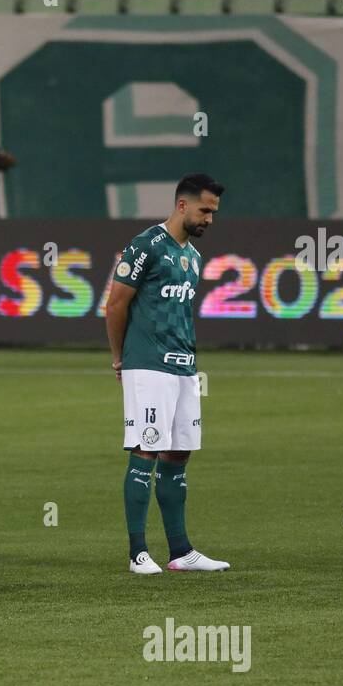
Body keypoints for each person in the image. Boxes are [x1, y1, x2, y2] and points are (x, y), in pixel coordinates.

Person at [105, 173, 230, 576]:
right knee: (146, 450)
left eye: (213, 212)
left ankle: (181, 551)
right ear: (182, 205)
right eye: (205, 210)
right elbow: (116, 304)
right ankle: (138, 552)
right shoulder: (146, 246)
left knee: (178, 454)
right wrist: (120, 358)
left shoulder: (192, 257)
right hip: (148, 364)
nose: (209, 218)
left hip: (184, 366)